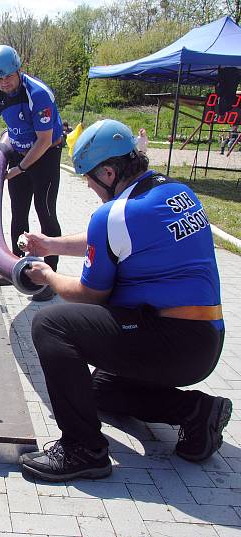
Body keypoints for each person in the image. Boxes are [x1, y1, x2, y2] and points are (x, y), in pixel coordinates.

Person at [19, 119, 229, 482]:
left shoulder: (116, 214)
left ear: (109, 171)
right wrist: (51, 245)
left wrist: (48, 276)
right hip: (203, 339)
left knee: (50, 325)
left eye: (87, 177)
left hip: (170, 341)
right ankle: (196, 411)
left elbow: (89, 295)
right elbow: (116, 236)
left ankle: (82, 449)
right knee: (100, 388)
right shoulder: (173, 190)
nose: (87, 184)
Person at [0, 45, 64, 301]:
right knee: (19, 214)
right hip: (19, 155)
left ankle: (50, 279)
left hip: (46, 157)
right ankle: (17, 270)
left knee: (46, 213)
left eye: (8, 76)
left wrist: (20, 168)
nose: (4, 82)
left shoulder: (38, 94)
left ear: (18, 70)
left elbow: (43, 140)